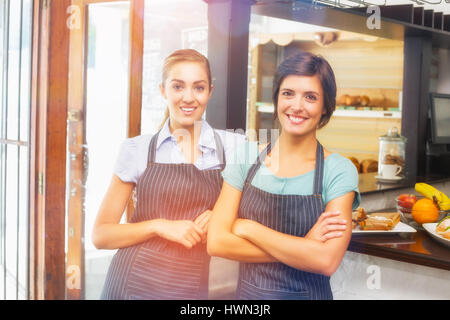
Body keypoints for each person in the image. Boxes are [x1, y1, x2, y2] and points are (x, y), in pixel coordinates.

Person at [92, 49, 246, 300]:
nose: (188, 97)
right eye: (177, 87)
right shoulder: (137, 149)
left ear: (210, 91)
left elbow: (263, 207)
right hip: (133, 283)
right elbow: (101, 235)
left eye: (198, 87)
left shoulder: (234, 147)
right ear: (163, 90)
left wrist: (221, 213)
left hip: (192, 286)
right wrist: (159, 226)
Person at [207, 51, 360, 300]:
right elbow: (217, 242)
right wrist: (303, 247)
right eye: (288, 93)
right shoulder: (246, 156)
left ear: (324, 107)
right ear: (276, 98)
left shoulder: (338, 170)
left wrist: (248, 227)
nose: (296, 106)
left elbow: (325, 260)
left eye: (310, 97)